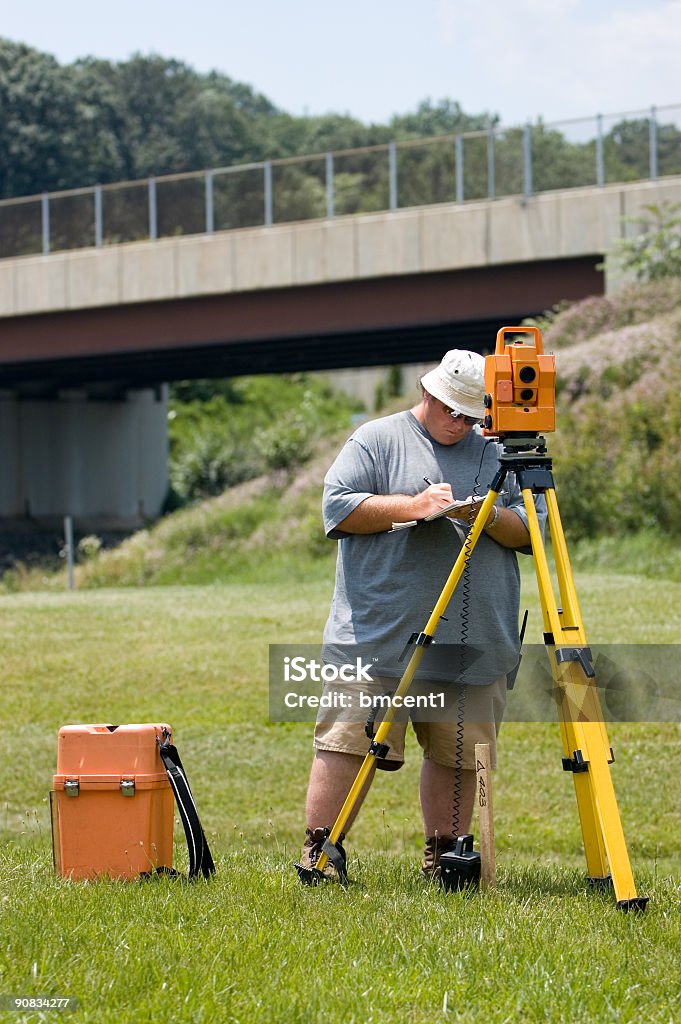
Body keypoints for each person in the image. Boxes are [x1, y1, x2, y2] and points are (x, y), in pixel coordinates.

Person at [296, 348, 545, 882]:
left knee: (458, 751)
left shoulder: (504, 453)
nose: (459, 423)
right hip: (375, 638)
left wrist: (491, 516)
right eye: (450, 410)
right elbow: (337, 507)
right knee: (346, 745)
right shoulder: (376, 439)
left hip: (476, 641)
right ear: (427, 392)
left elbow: (537, 531)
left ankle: (447, 860)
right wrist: (413, 506)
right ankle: (320, 854)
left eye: (471, 415)